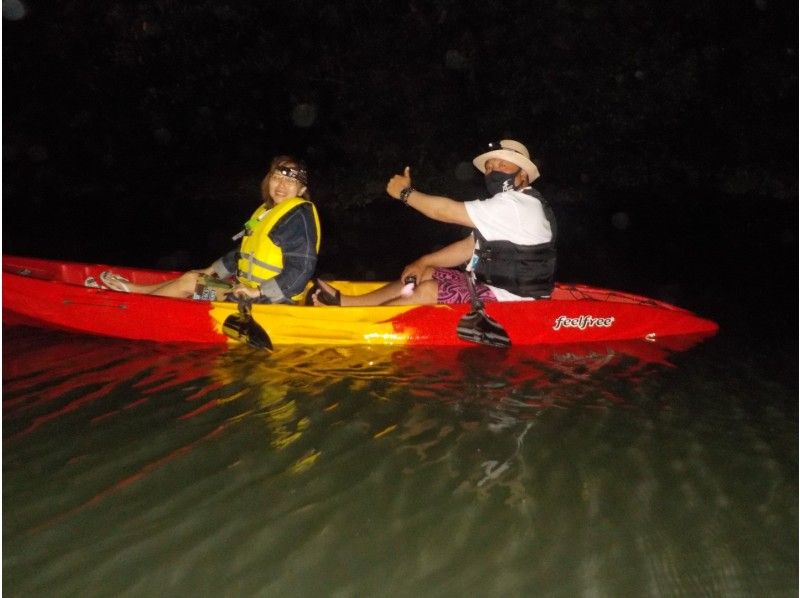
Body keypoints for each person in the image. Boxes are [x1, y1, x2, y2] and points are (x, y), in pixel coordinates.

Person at [307, 139, 556, 306]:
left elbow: (444, 211)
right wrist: (422, 262)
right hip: (494, 288)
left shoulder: (518, 204)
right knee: (423, 273)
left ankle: (363, 322)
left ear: (522, 174)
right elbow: (468, 248)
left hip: (518, 301)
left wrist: (405, 194)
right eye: (490, 166)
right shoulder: (504, 207)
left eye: (502, 164)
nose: (493, 170)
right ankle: (350, 303)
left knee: (427, 290)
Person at [99, 155, 321, 304]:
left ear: (301, 189)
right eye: (276, 178)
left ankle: (136, 306)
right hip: (248, 290)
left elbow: (301, 270)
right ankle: (133, 292)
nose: (281, 186)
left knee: (190, 283)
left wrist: (259, 292)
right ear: (268, 180)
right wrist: (211, 271)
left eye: (289, 182)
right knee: (194, 277)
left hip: (271, 301)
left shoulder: (298, 216)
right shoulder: (267, 211)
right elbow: (243, 255)